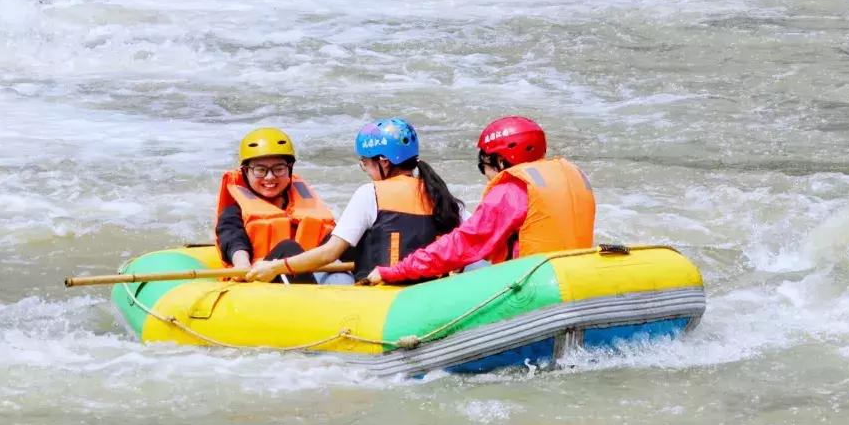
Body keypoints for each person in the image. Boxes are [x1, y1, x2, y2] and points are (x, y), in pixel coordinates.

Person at [362, 116, 596, 285]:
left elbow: (463, 243)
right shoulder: (571, 177)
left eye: (483, 166)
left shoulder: (511, 189)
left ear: (501, 162)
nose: (485, 176)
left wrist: (396, 270)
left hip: (533, 285)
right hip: (576, 279)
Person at [245, 118, 463, 283]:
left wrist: (275, 267)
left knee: (288, 248)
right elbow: (471, 238)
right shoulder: (440, 195)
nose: (366, 170)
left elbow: (329, 253)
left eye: (365, 163)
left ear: (384, 162)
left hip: (379, 297)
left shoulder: (371, 193)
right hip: (428, 292)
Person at [215, 127, 336, 281]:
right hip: (260, 279)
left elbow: (333, 243)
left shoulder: (307, 205)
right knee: (288, 248)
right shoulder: (233, 212)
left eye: (279, 169)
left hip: (307, 274)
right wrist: (242, 264)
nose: (270, 177)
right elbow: (233, 239)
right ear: (245, 172)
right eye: (260, 170)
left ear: (289, 170)